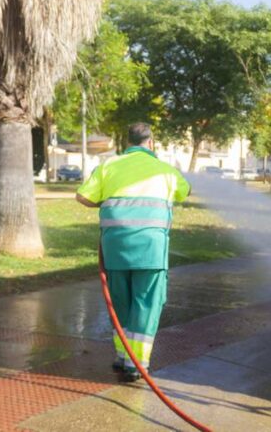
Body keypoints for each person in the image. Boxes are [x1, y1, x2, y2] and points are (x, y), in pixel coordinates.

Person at [76, 122, 191, 381]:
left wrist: (108, 202)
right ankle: (136, 363)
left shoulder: (109, 166)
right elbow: (185, 192)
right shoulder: (165, 170)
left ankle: (123, 355)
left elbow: (83, 197)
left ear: (127, 141)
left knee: (120, 302)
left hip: (116, 248)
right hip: (150, 251)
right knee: (147, 303)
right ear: (151, 142)